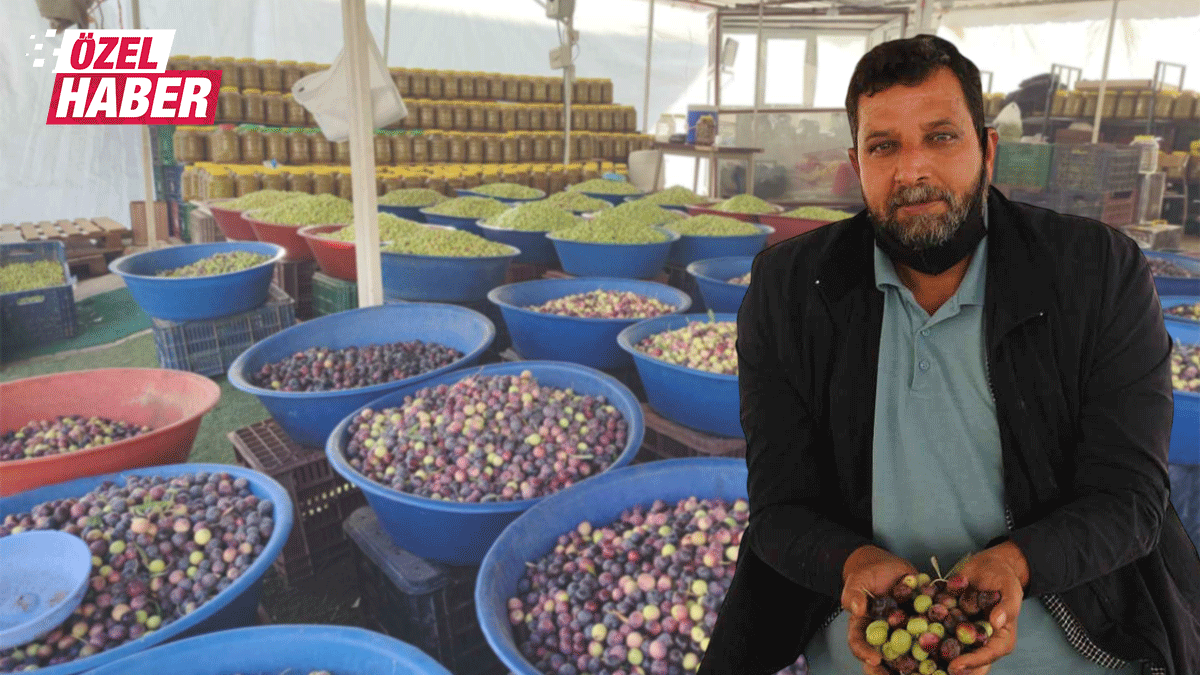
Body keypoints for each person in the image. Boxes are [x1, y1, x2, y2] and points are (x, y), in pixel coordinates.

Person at [697, 34, 1200, 675]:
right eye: (885, 146)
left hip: (1075, 651)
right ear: (857, 164)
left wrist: (1016, 565)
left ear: (986, 149)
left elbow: (1129, 498)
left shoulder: (1095, 273)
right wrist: (852, 566)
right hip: (872, 652)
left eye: (941, 137)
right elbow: (780, 507)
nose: (913, 172)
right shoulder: (792, 289)